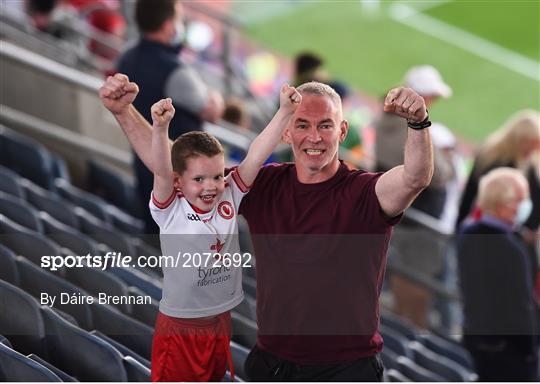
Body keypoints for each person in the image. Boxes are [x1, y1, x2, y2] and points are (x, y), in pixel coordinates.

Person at [99, 74, 434, 381]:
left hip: (346, 369)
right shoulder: (265, 184)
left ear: (342, 131)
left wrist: (419, 123)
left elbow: (415, 177)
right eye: (302, 124)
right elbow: (175, 166)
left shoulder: (364, 191)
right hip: (273, 364)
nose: (314, 137)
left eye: (325, 126)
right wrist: (123, 112)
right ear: (287, 131)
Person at [113, 83, 301, 381]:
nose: (211, 185)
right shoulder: (169, 208)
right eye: (198, 178)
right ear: (179, 183)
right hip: (181, 328)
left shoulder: (229, 194)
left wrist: (285, 113)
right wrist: (161, 129)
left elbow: (255, 155)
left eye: (216, 175)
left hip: (219, 321)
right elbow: (162, 169)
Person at [116, 0, 224, 235]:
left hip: (145, 164)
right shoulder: (175, 71)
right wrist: (214, 96)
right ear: (168, 25)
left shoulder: (127, 58)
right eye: (177, 18)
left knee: (156, 229)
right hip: (181, 174)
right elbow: (212, 110)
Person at [374, 65, 455, 329]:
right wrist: (446, 160)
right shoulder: (409, 127)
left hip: (404, 215)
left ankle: (403, 325)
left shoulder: (388, 120)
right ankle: (410, 330)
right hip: (417, 221)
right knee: (417, 286)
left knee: (404, 278)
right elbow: (437, 173)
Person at [457, 167, 538, 381]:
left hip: (477, 338)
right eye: (521, 199)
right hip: (509, 352)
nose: (524, 205)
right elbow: (522, 307)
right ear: (504, 204)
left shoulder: (469, 232)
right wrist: (530, 351)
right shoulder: (510, 248)